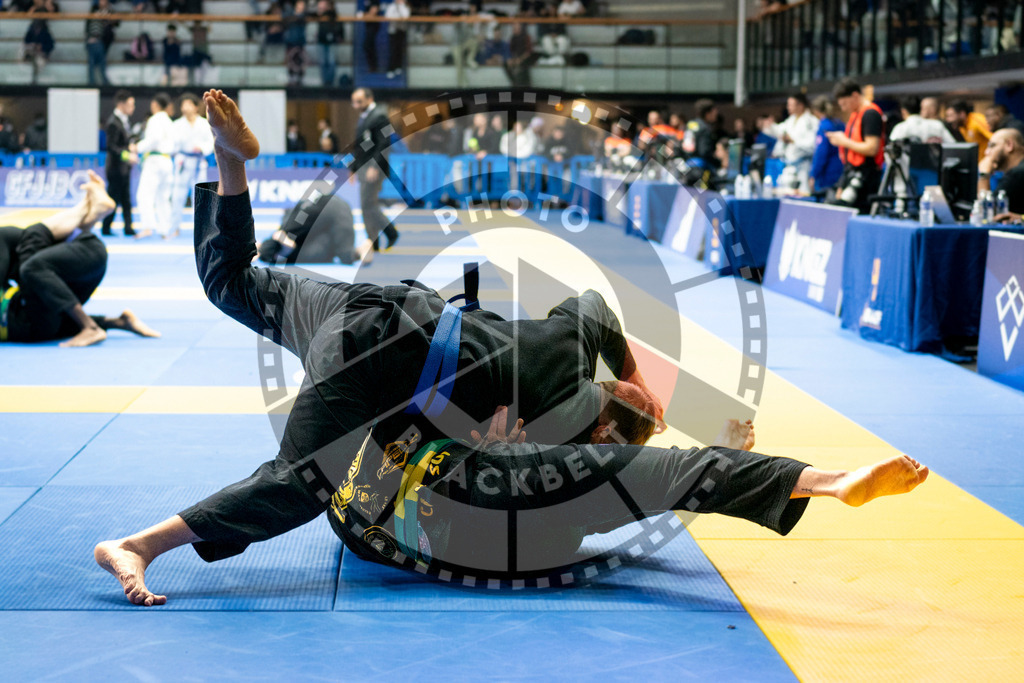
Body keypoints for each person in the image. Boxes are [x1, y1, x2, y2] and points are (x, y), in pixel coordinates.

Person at [91, 91, 929, 605]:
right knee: (297, 477)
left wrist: (818, 477)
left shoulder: (554, 427)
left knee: (235, 296)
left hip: (380, 319)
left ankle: (229, 171)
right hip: (393, 341)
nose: (636, 403)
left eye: (628, 411)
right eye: (633, 404)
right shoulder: (557, 409)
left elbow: (666, 463)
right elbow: (651, 442)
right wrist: (657, 403)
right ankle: (140, 541)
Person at [0, 171, 160, 348]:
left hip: (84, 253)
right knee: (34, 261)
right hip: (83, 262)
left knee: (32, 263)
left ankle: (90, 327)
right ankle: (118, 322)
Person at [256, 181, 372, 265]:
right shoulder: (297, 212)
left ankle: (358, 251)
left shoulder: (288, 226)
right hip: (335, 205)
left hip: (326, 211)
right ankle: (359, 251)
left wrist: (263, 249)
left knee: (344, 255)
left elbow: (280, 237)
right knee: (326, 249)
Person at [826, 78, 885, 213]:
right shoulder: (856, 115)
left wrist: (843, 141)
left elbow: (872, 148)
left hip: (866, 180)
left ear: (855, 96)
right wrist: (842, 183)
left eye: (844, 103)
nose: (843, 108)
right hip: (852, 174)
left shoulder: (870, 114)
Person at [351, 88, 399, 251]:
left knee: (367, 204)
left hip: (373, 167)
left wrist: (374, 167)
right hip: (364, 166)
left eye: (359, 101)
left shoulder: (379, 116)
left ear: (369, 99)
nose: (355, 105)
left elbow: (384, 143)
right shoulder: (364, 117)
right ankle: (375, 240)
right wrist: (353, 168)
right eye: (354, 102)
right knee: (368, 205)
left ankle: (387, 234)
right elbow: (360, 146)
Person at [170, 93, 215, 240]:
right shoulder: (176, 125)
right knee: (178, 196)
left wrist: (201, 148)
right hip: (183, 161)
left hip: (199, 161)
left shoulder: (203, 123)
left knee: (200, 197)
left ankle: (201, 230)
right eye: (183, 104)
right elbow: (174, 145)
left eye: (189, 104)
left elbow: (210, 142)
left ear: (196, 107)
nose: (185, 107)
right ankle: (174, 228)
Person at [134, 93, 177, 240]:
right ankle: (165, 230)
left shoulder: (154, 120)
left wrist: (137, 147)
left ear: (155, 105)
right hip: (167, 160)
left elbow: (153, 140)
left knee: (144, 194)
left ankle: (147, 227)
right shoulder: (171, 122)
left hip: (155, 160)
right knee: (163, 197)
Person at [101, 90, 138, 237]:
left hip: (123, 168)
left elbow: (122, 143)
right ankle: (105, 227)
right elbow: (111, 147)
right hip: (115, 168)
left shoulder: (124, 121)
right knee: (113, 199)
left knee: (126, 198)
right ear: (121, 104)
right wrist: (127, 155)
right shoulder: (113, 123)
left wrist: (130, 147)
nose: (133, 107)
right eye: (130, 104)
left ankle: (128, 228)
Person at [766, 94, 818, 193]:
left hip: (804, 166)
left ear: (800, 105)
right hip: (790, 166)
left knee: (803, 193)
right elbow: (780, 130)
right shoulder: (791, 120)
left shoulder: (811, 121)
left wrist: (793, 141)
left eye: (790, 104)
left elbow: (812, 146)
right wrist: (771, 126)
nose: (788, 107)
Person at [983, 128, 1024, 222]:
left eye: (992, 146)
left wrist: (983, 175)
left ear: (1009, 145)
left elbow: (987, 211)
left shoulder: (1017, 174)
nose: (987, 152)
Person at [808, 95, 844, 195]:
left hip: (828, 172)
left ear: (815, 111)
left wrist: (813, 175)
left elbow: (821, 154)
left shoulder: (824, 126)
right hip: (841, 169)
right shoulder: (839, 123)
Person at [85, 0, 115, 86]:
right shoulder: (94, 14)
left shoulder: (105, 13)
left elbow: (113, 21)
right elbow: (88, 28)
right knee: (93, 64)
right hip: (92, 41)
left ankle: (102, 82)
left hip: (99, 41)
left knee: (100, 64)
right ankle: (93, 83)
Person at [315, 0, 340, 86]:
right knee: (322, 62)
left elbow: (338, 25)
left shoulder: (332, 14)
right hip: (322, 40)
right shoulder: (320, 15)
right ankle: (325, 82)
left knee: (331, 62)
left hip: (331, 41)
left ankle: (330, 82)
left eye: (324, 6)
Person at [283, 0, 308, 86]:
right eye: (299, 5)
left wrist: (297, 17)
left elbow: (302, 20)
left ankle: (299, 79)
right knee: (291, 61)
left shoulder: (304, 15)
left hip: (300, 41)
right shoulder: (289, 13)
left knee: (300, 61)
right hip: (291, 41)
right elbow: (284, 19)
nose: (301, 7)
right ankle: (291, 79)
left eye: (302, 5)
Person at [385, 0, 410, 78]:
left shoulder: (405, 7)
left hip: (402, 30)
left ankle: (398, 67)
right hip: (393, 30)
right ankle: (390, 69)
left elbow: (406, 16)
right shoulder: (391, 6)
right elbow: (387, 16)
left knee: (400, 49)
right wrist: (397, 17)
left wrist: (400, 10)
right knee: (393, 50)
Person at [360, 0, 382, 73]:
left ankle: (374, 66)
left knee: (368, 44)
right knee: (369, 45)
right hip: (368, 24)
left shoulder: (375, 1)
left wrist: (366, 15)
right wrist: (365, 15)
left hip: (374, 24)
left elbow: (374, 12)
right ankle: (372, 66)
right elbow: (363, 13)